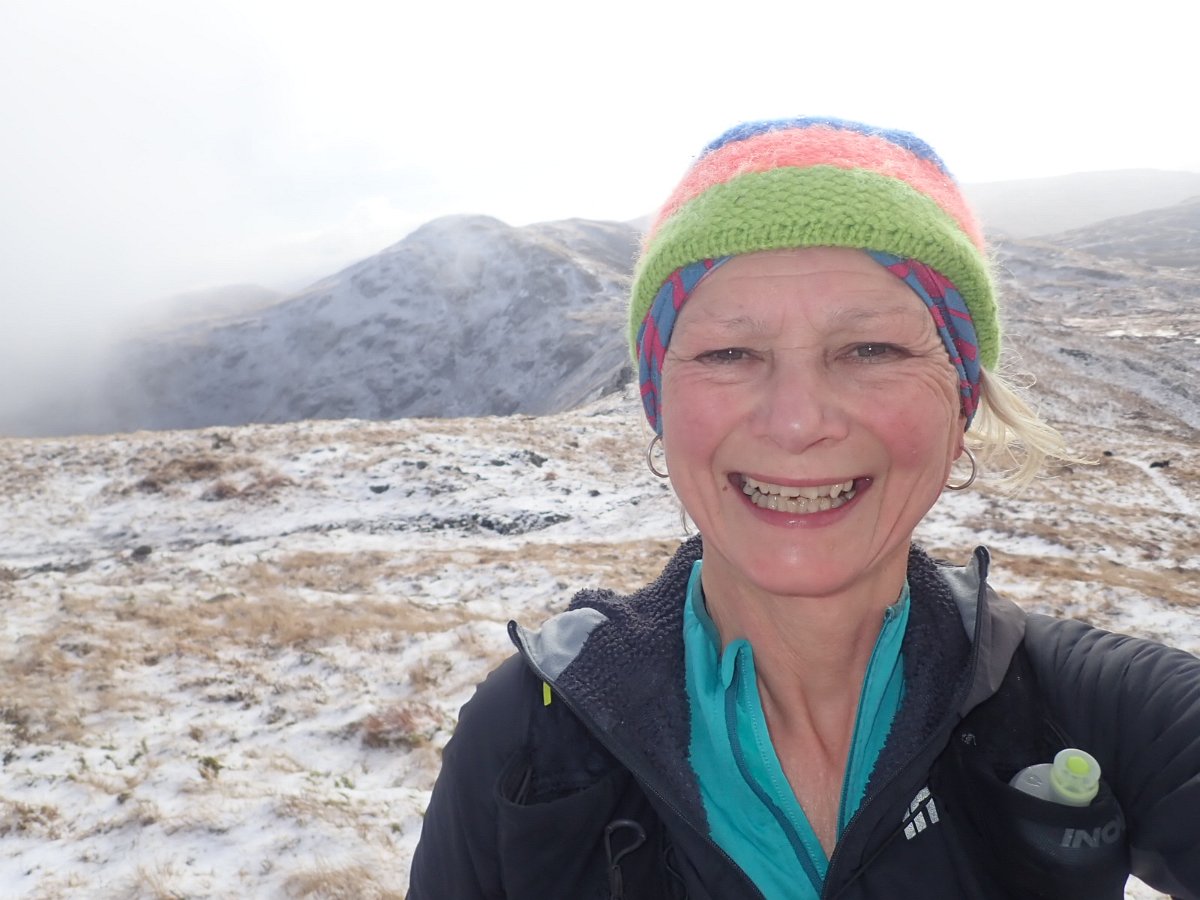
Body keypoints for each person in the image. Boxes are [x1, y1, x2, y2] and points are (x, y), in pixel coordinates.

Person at [407, 117, 1200, 899]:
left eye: (870, 349)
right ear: (660, 407)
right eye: (729, 353)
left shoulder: (1097, 712)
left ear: (959, 407)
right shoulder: (530, 742)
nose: (795, 422)